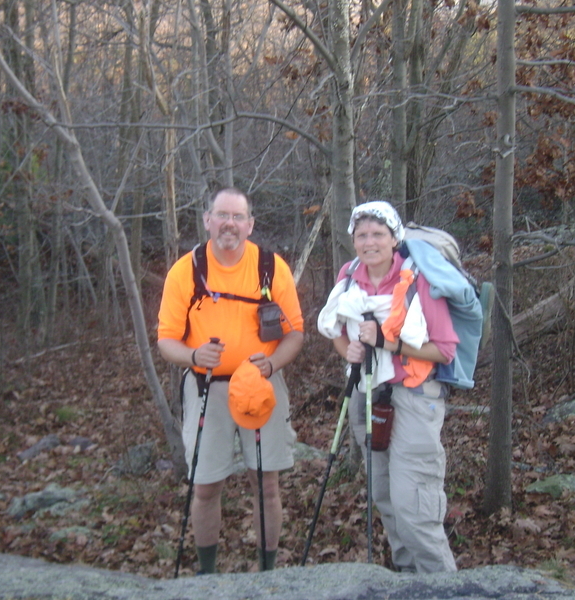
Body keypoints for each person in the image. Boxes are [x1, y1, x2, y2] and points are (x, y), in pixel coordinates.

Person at [157, 187, 304, 573]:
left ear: (250, 225)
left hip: (262, 386)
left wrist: (271, 367)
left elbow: (295, 333)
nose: (230, 224)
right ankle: (207, 575)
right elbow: (166, 340)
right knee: (205, 487)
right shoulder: (186, 270)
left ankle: (267, 572)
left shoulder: (271, 267)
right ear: (207, 220)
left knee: (266, 485)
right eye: (222, 215)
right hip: (206, 388)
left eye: (238, 217)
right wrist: (193, 356)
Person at [317, 200, 460, 573]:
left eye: (378, 233)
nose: (370, 242)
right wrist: (347, 348)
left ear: (394, 238)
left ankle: (442, 586)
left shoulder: (418, 280)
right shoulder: (349, 278)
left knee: (413, 502)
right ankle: (408, 580)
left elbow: (444, 349)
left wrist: (387, 342)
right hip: (367, 392)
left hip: (414, 394)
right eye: (361, 234)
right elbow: (337, 330)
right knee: (385, 495)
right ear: (353, 240)